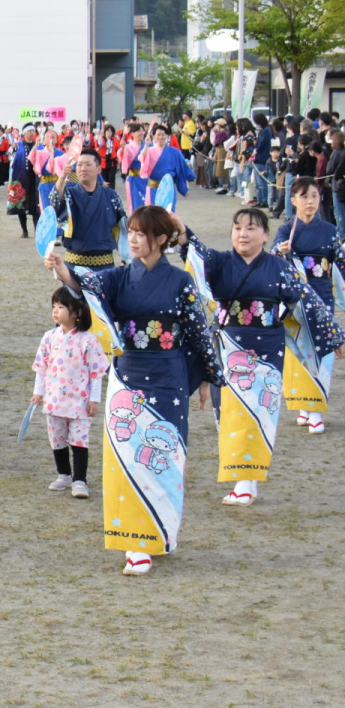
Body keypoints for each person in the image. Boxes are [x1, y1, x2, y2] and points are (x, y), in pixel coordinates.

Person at [47, 206, 225, 576]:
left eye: (141, 233)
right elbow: (87, 285)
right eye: (129, 231)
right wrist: (62, 269)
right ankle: (135, 543)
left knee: (163, 457)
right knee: (126, 459)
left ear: (160, 239)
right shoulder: (118, 276)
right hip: (127, 374)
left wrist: (207, 375)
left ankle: (160, 533)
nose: (132, 239)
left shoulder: (180, 281)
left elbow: (197, 330)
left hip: (168, 376)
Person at [175, 205, 342, 508]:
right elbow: (195, 257)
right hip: (227, 347)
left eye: (252, 228)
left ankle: (247, 482)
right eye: (238, 227)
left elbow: (307, 302)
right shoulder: (220, 262)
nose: (243, 233)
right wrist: (183, 234)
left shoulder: (279, 268)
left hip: (265, 351)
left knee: (257, 414)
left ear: (266, 235)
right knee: (226, 410)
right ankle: (242, 478)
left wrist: (333, 336)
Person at [272, 177, 345, 435]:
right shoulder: (285, 231)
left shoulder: (330, 231)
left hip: (322, 297)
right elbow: (273, 261)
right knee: (299, 354)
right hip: (294, 301)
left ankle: (315, 411)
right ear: (293, 201)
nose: (310, 202)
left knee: (322, 355)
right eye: (304, 197)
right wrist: (280, 251)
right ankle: (305, 406)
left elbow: (341, 264)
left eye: (314, 196)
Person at [30, 287, 110, 499]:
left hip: (80, 403)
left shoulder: (88, 340)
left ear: (77, 313)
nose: (55, 311)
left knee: (79, 441)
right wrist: (38, 392)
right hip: (54, 400)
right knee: (57, 439)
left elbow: (96, 373)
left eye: (61, 307)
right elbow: (42, 368)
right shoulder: (49, 337)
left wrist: (94, 399)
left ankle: (80, 480)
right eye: (54, 307)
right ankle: (64, 474)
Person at [51, 148, 127, 275]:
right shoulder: (69, 194)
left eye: (88, 164)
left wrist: (126, 256)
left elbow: (123, 227)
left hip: (105, 266)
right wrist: (63, 176)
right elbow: (54, 201)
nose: (83, 168)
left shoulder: (111, 196)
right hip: (74, 265)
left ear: (98, 169)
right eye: (79, 164)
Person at [8, 126, 41, 239]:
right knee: (21, 205)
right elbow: (10, 157)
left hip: (35, 179)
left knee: (36, 205)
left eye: (33, 131)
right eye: (29, 131)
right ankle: (24, 230)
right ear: (24, 133)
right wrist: (14, 149)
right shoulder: (19, 145)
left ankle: (37, 230)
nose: (32, 133)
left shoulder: (39, 145)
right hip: (21, 179)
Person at [118, 122, 148, 212]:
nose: (141, 133)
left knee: (147, 201)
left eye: (143, 130)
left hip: (146, 178)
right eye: (138, 131)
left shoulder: (148, 145)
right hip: (134, 179)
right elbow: (121, 157)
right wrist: (122, 148)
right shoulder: (128, 147)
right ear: (132, 133)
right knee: (135, 201)